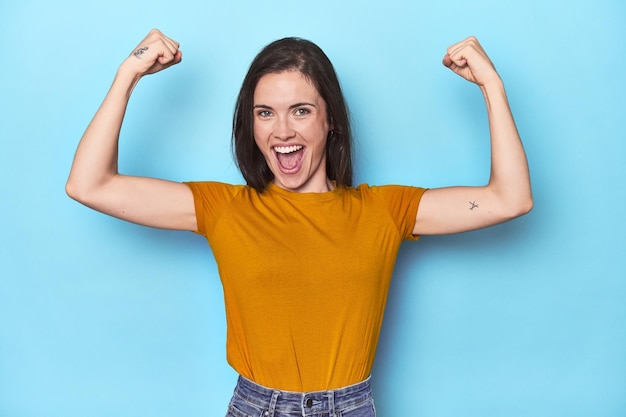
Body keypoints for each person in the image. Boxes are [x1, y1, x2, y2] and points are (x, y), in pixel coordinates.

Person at [66, 29, 532, 417]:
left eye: (301, 111)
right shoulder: (225, 208)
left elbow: (508, 199)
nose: (282, 131)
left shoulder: (383, 212)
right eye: (265, 113)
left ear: (332, 121)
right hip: (255, 406)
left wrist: (492, 86)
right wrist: (128, 74)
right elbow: (90, 185)